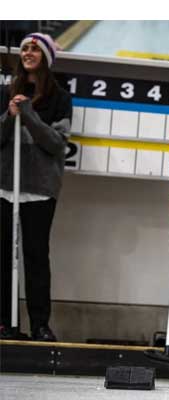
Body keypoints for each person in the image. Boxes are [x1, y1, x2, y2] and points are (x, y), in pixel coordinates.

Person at [0, 33, 72, 341]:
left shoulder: (60, 97)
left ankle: (40, 324)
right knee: (4, 257)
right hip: (4, 187)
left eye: (35, 48)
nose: (28, 52)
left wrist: (28, 114)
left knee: (36, 256)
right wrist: (10, 116)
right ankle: (4, 321)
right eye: (25, 47)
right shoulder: (5, 91)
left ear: (46, 57)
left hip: (40, 188)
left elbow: (57, 143)